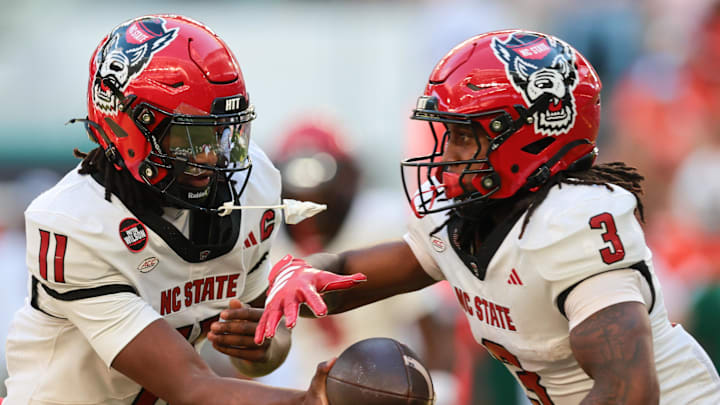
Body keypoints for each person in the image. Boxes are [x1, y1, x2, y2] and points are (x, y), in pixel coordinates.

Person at [238, 30, 720, 404]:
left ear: (532, 136)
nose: (446, 157)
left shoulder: (571, 222)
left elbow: (628, 393)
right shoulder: (465, 215)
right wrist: (279, 289)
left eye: (465, 137)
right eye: (446, 136)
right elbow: (350, 274)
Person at [2, 14, 365, 405]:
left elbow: (257, 358)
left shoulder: (251, 185)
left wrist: (262, 348)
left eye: (223, 133)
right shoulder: (75, 224)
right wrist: (310, 401)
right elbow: (191, 387)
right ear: (128, 124)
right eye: (189, 139)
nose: (210, 157)